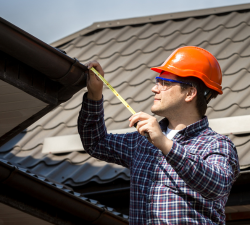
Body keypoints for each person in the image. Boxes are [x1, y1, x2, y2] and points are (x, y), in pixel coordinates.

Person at [78, 46, 240, 224]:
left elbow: (216, 187)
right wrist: (94, 94)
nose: (155, 89)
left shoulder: (216, 144)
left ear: (190, 93)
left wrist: (165, 144)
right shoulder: (142, 141)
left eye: (165, 83)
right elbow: (95, 142)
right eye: (158, 81)